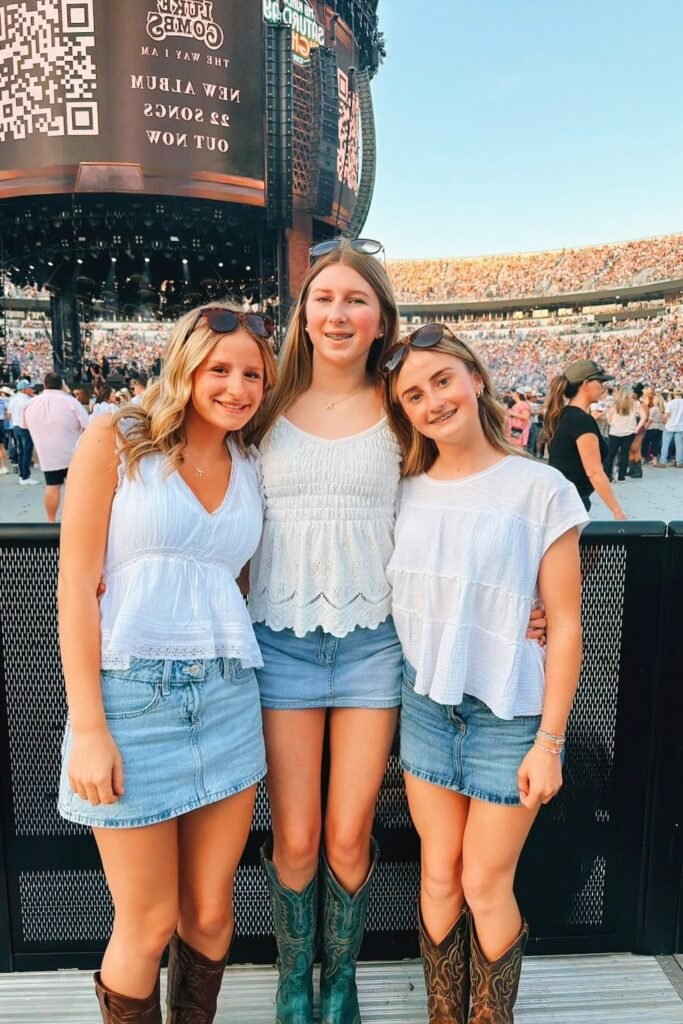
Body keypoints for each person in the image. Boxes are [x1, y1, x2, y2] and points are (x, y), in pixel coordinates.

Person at [246, 239, 545, 1024]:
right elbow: (204, 486)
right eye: (323, 299)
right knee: (298, 838)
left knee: (348, 837)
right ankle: (290, 982)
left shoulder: (400, 406)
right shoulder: (265, 400)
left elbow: (469, 498)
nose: (337, 313)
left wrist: (522, 597)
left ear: (381, 318)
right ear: (302, 315)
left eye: (355, 300)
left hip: (376, 646)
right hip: (279, 641)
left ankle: (338, 980)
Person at [57, 303, 276, 1024]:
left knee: (211, 916)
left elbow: (231, 581)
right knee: (147, 923)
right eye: (220, 369)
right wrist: (89, 725)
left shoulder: (250, 462)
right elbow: (75, 588)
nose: (237, 387)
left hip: (227, 697)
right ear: (184, 365)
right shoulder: (115, 439)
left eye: (252, 373)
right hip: (131, 699)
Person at [382, 324, 587, 1024]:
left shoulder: (540, 489)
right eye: (413, 394)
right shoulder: (402, 490)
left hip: (509, 717)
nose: (432, 400)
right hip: (426, 711)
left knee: (483, 881)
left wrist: (549, 742)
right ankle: (446, 1014)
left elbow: (562, 624)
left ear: (475, 379)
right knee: (437, 876)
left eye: (442, 380)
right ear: (403, 411)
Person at [544, 360, 626, 518]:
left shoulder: (563, 414)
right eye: (600, 381)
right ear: (586, 384)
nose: (602, 387)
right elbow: (594, 471)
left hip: (560, 497)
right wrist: (617, 511)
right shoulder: (582, 420)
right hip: (572, 500)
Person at [22, 371, 89, 521]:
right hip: (73, 453)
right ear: (62, 384)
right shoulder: (71, 402)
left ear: (44, 385)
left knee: (52, 486)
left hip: (47, 454)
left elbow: (24, 426)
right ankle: (74, 520)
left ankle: (51, 521)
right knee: (75, 489)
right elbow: (87, 425)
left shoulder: (31, 404)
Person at [604, 386, 645, 483]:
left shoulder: (615, 404)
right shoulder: (635, 404)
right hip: (629, 431)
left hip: (615, 431)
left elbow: (609, 417)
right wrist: (637, 428)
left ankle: (607, 475)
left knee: (611, 454)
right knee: (624, 453)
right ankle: (621, 477)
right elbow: (644, 417)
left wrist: (611, 423)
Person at [8, 379, 38, 485]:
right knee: (27, 452)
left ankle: (22, 475)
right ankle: (26, 476)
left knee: (21, 451)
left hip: (16, 426)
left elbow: (9, 415)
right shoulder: (27, 401)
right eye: (30, 388)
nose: (32, 389)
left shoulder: (13, 399)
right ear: (25, 389)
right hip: (25, 427)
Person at [653, 386, 683, 467]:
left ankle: (663, 461)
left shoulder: (670, 403)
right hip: (680, 426)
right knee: (679, 444)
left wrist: (664, 422)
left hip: (670, 425)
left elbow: (666, 415)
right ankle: (679, 462)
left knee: (665, 444)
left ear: (674, 394)